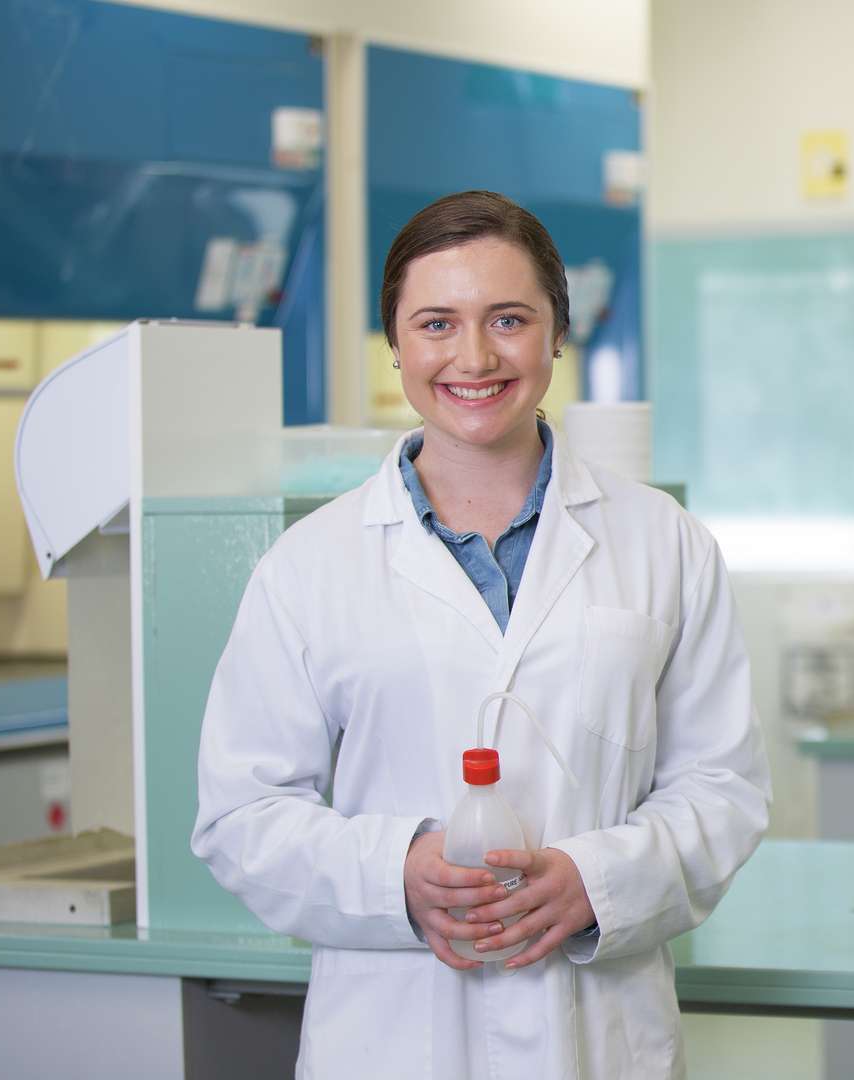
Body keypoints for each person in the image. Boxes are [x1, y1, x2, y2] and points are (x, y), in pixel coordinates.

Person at [191, 190, 771, 1079]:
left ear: (557, 333)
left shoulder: (662, 543)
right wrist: (398, 872)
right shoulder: (310, 566)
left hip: (598, 1039)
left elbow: (722, 786)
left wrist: (596, 879)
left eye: (508, 319)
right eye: (435, 323)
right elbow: (241, 816)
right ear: (396, 344)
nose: (473, 356)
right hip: (392, 1040)